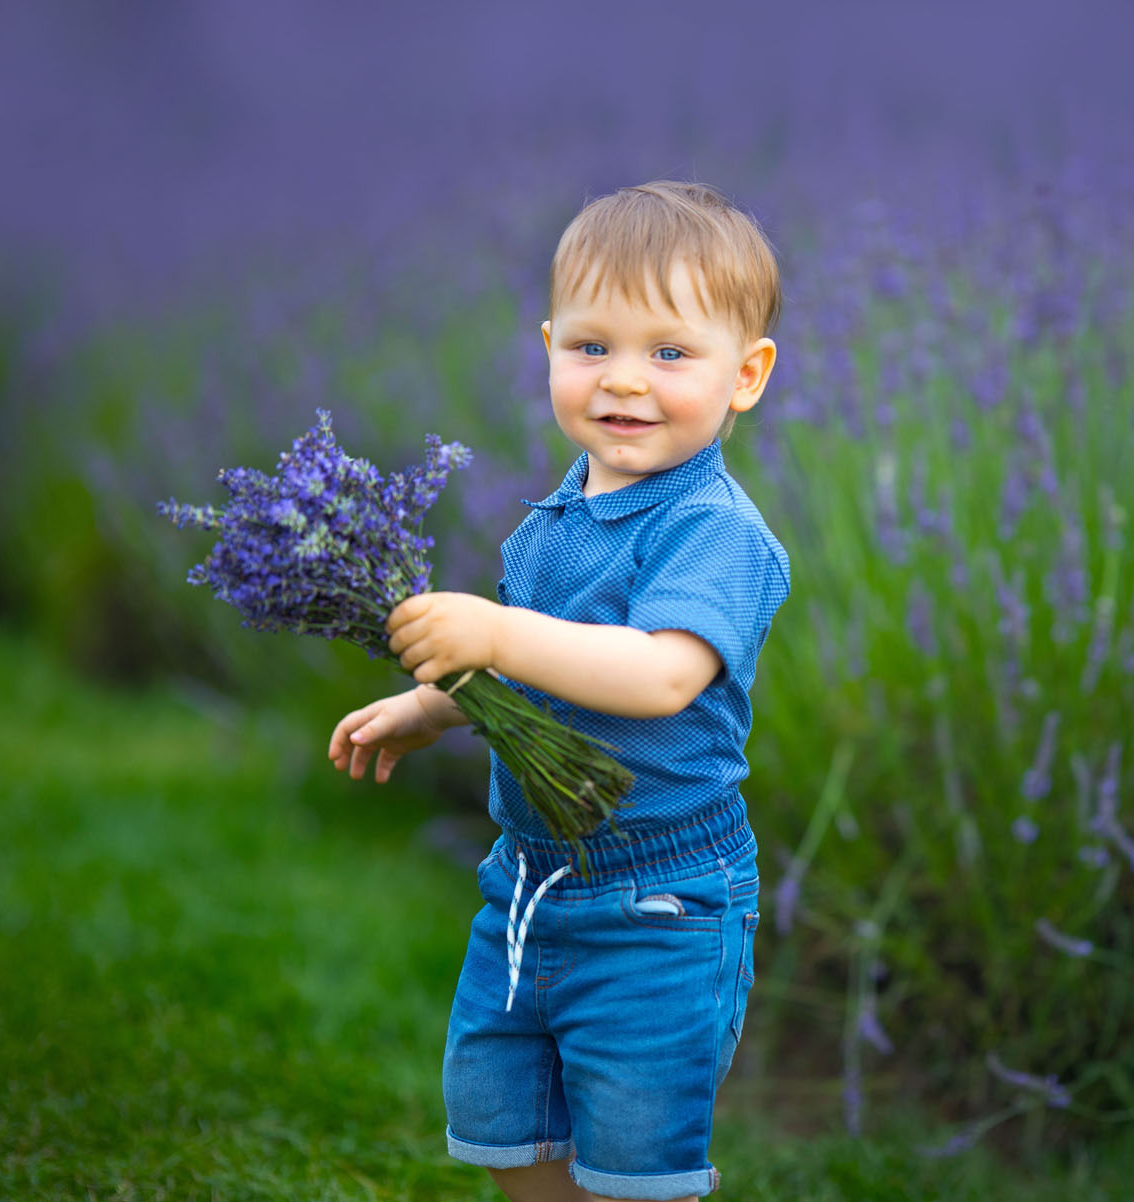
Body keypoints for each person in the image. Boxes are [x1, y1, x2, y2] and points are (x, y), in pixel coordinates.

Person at [327, 179, 789, 1202]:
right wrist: (436, 704)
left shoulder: (715, 532)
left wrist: (497, 630)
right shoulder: (555, 520)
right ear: (547, 349)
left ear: (746, 375)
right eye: (591, 346)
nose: (623, 378)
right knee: (510, 1124)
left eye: (669, 353)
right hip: (530, 881)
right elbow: (532, 679)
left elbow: (661, 675)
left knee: (634, 1156)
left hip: (661, 900)